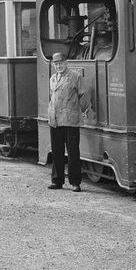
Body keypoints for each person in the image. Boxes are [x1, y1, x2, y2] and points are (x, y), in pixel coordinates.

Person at [48, 52, 88, 192]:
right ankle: (57, 181)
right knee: (57, 152)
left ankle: (75, 182)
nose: (58, 66)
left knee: (73, 153)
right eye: (56, 64)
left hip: (70, 120)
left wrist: (84, 111)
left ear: (66, 63)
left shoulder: (75, 77)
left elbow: (83, 95)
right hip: (55, 120)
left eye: (60, 63)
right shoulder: (53, 78)